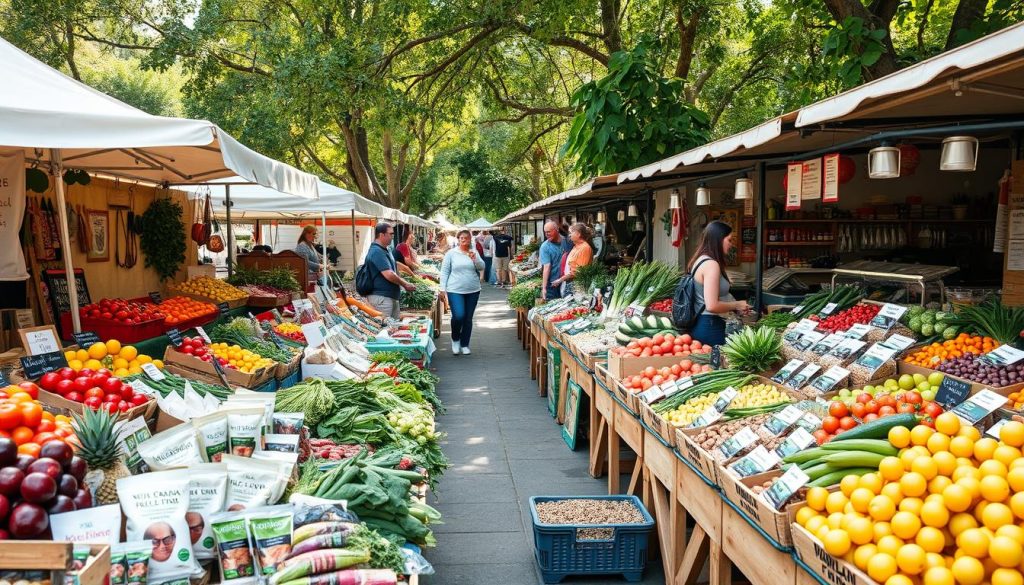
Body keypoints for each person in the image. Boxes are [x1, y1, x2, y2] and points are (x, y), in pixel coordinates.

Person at [687, 220, 750, 346]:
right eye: (729, 240)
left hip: (702, 324)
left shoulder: (700, 260)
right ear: (719, 239)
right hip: (710, 326)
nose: (731, 244)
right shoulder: (711, 265)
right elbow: (712, 305)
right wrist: (737, 304)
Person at [440, 229, 485, 355]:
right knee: (459, 315)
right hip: (455, 289)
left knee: (468, 318)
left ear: (470, 239)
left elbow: (482, 267)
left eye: (466, 238)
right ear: (458, 239)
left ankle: (465, 344)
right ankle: (455, 339)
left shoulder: (474, 252)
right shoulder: (451, 254)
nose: (464, 240)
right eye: (461, 238)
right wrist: (442, 288)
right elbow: (444, 271)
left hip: (473, 289)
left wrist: (475, 259)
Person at [365, 222, 416, 319]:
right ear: (381, 235)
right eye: (391, 234)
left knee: (393, 328)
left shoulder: (385, 250)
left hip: (389, 297)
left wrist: (408, 273)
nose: (393, 236)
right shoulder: (376, 251)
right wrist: (404, 284)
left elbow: (395, 266)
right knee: (385, 329)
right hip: (381, 299)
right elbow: (388, 274)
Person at [552, 223, 594, 296]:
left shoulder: (585, 248)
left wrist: (560, 280)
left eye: (571, 233)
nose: (569, 235)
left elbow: (578, 271)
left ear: (578, 234)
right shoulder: (576, 246)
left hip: (577, 285)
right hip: (570, 282)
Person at [540, 221, 567, 302]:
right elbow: (546, 267)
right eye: (545, 232)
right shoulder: (545, 247)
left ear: (557, 229)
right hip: (552, 284)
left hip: (567, 282)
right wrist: (544, 288)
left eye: (549, 231)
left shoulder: (567, 242)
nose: (546, 234)